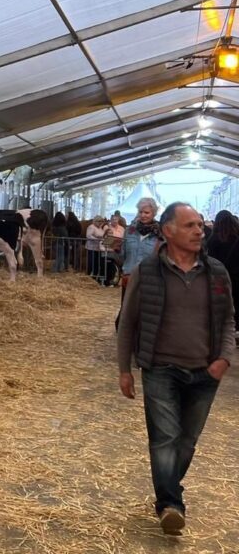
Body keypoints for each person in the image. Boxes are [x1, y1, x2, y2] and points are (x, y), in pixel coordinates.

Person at [116, 202, 234, 535]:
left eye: (200, 225)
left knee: (187, 442)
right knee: (165, 438)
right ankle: (170, 504)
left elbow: (227, 319)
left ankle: (169, 491)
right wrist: (124, 368)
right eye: (190, 225)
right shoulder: (147, 271)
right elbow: (129, 322)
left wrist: (223, 359)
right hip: (160, 367)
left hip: (205, 371)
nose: (199, 230)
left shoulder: (217, 272)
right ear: (168, 231)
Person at [120, 198, 161, 300]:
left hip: (150, 280)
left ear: (154, 213)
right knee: (126, 312)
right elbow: (123, 254)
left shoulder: (160, 234)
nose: (143, 215)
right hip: (129, 278)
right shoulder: (129, 230)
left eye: (146, 212)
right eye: (140, 212)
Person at [206, 209, 239, 333]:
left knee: (221, 302)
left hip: (219, 278)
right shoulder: (237, 237)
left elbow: (210, 260)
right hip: (236, 277)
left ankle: (223, 328)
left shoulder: (213, 239)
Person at [86, 216, 107, 281]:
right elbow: (88, 236)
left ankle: (94, 278)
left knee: (96, 264)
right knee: (91, 263)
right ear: (95, 221)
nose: (100, 223)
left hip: (98, 248)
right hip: (91, 248)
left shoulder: (100, 228)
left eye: (101, 222)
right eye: (99, 221)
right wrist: (97, 239)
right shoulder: (91, 227)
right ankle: (88, 276)